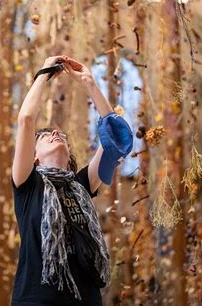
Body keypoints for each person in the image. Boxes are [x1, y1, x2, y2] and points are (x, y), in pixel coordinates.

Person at [10, 55, 133, 306]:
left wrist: (90, 83)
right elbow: (25, 120)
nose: (55, 133)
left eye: (60, 134)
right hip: (36, 299)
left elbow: (118, 139)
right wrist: (45, 71)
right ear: (34, 158)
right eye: (45, 136)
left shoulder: (81, 185)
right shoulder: (27, 184)